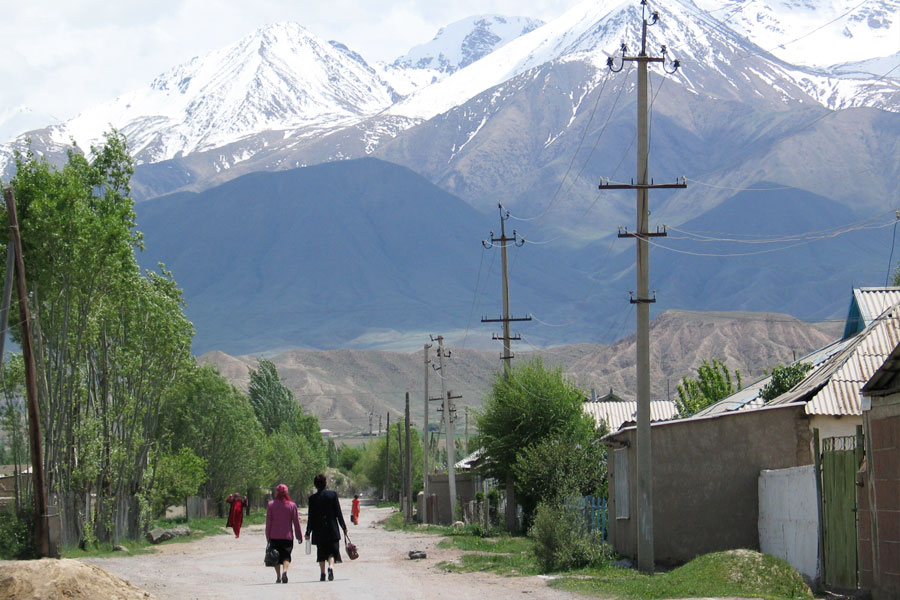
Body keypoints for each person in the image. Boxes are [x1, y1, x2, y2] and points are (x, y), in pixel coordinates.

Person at [305, 473, 348, 582]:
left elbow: (311, 517)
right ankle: (331, 567)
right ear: (325, 483)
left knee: (321, 552)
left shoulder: (312, 498)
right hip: (332, 529)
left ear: (315, 485)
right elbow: (338, 512)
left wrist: (308, 532)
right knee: (332, 552)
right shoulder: (332, 495)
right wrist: (344, 527)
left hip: (318, 530)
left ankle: (323, 574)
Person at [265, 484, 303, 584]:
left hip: (274, 535)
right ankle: (285, 571)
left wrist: (267, 536)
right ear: (287, 493)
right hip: (287, 536)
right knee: (286, 555)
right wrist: (299, 536)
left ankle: (278, 576)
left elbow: (268, 522)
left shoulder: (271, 505)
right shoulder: (292, 505)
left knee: (275, 556)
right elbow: (296, 522)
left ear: (277, 492)